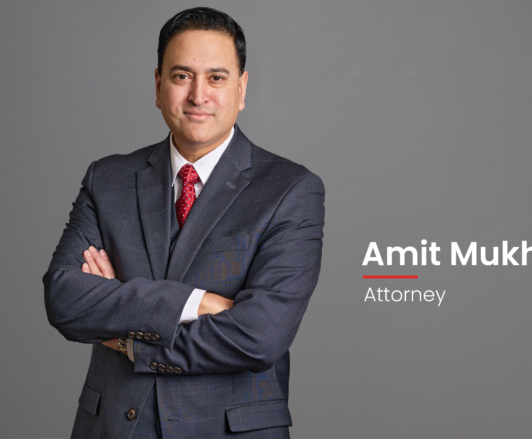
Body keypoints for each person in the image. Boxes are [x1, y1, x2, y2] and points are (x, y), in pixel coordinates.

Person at [42, 6, 324, 438]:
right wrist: (196, 304)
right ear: (158, 85)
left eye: (216, 77)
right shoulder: (109, 179)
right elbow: (64, 298)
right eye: (181, 76)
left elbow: (260, 335)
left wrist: (126, 337)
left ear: (242, 88)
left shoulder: (291, 190)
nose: (198, 95)